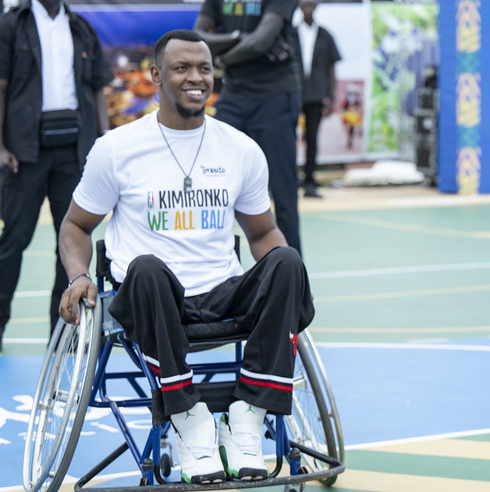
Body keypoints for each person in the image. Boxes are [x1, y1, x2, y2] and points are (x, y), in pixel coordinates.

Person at [58, 30, 314, 484]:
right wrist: (78, 275)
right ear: (156, 75)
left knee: (289, 260)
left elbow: (263, 233)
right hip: (155, 297)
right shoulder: (117, 148)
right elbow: (76, 226)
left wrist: (284, 294)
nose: (196, 78)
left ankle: (248, 414)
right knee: (148, 267)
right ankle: (188, 418)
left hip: (223, 291)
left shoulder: (240, 149)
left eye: (204, 68)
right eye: (182, 68)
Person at [0, 0, 112, 351]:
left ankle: (60, 337)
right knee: (13, 241)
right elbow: (2, 88)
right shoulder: (12, 26)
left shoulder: (81, 29)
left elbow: (98, 88)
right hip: (24, 153)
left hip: (73, 154)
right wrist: (1, 146)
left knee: (69, 245)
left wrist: (104, 142)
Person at [194, 0, 303, 253]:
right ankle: (219, 281)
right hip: (235, 98)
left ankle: (294, 288)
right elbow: (199, 37)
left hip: (275, 97)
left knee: (283, 197)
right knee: (217, 190)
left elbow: (263, 39)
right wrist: (242, 37)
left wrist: (223, 52)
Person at [296, 0, 341, 198]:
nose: (307, 8)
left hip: (316, 94)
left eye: (311, 5)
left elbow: (332, 68)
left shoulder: (325, 34)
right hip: (293, 92)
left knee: (312, 139)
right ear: (299, 7)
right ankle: (288, 178)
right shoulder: (291, 33)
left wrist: (331, 97)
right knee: (287, 138)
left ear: (316, 7)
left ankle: (310, 181)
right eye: (304, 4)